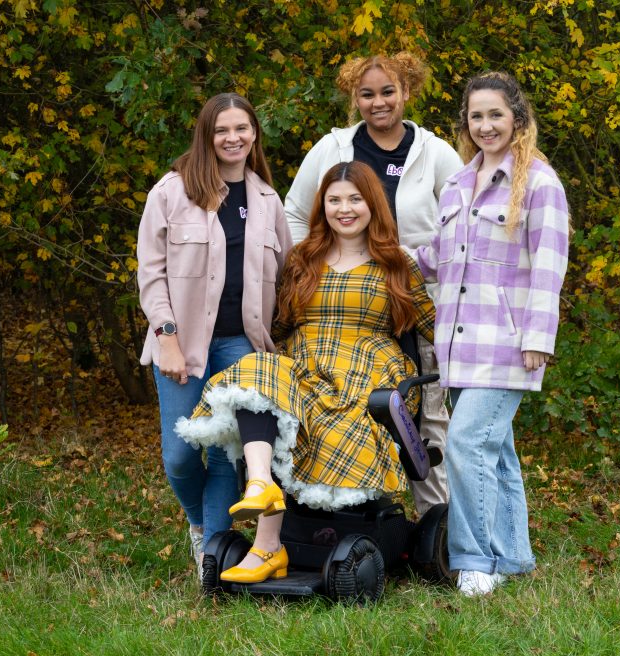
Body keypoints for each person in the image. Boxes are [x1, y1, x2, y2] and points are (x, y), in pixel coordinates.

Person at [175, 161, 436, 583]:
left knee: (331, 421)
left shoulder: (396, 264)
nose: (344, 208)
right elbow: (276, 326)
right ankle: (262, 488)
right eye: (335, 200)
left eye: (355, 199)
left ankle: (267, 546)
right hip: (305, 364)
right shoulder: (303, 258)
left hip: (366, 372)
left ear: (373, 205)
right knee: (259, 373)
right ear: (322, 206)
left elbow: (434, 326)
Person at [284, 51, 463, 516]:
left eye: (388, 91)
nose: (378, 102)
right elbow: (296, 213)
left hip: (414, 293)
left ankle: (435, 527)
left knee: (427, 421)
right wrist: (323, 263)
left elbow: (463, 224)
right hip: (344, 298)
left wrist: (414, 264)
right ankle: (332, 517)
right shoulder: (334, 150)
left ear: (407, 92)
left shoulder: (435, 153)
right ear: (354, 99)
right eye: (367, 94)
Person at [415, 72, 570, 596]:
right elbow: (439, 258)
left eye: (495, 115)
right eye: (476, 116)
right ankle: (514, 559)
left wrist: (538, 340)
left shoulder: (539, 184)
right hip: (458, 345)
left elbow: (549, 267)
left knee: (465, 443)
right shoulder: (459, 184)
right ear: (466, 123)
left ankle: (475, 560)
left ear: (517, 119)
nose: (485, 126)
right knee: (494, 451)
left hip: (507, 344)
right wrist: (386, 262)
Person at [136, 93, 292, 580]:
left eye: (242, 128)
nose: (233, 138)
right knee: (180, 455)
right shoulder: (170, 192)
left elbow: (287, 274)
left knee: (229, 455)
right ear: (207, 135)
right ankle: (200, 522)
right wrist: (166, 338)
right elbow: (150, 273)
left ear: (254, 134)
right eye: (223, 130)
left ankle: (213, 552)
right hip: (182, 344)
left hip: (243, 347)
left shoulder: (266, 199)